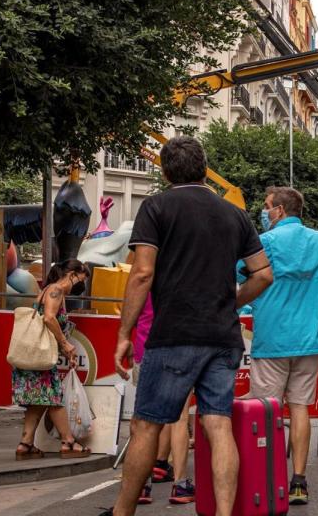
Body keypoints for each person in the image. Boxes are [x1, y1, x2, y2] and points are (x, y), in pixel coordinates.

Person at [105, 136, 272, 516]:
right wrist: (230, 301)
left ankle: (123, 512)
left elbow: (143, 272)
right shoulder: (234, 214)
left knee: (146, 426)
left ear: (164, 170)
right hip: (223, 336)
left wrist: (123, 334)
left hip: (174, 335)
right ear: (203, 167)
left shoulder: (156, 207)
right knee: (218, 425)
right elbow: (263, 274)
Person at [242, 186, 318, 505]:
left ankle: (268, 476)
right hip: (309, 339)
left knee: (268, 411)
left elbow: (240, 272)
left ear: (278, 210)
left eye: (266, 206)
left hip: (272, 339)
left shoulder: (265, 242)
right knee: (301, 408)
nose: (263, 212)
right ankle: (299, 480)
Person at [13, 259, 91, 461]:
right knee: (54, 397)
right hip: (41, 357)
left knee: (38, 400)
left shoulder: (52, 290)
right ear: (72, 274)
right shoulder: (55, 290)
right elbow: (49, 318)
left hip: (36, 354)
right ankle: (68, 442)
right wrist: (65, 344)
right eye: (80, 280)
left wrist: (64, 349)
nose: (79, 286)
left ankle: (25, 443)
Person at [130, 296, 194, 506]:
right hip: (181, 347)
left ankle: (142, 486)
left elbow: (131, 307)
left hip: (146, 346)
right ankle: (181, 484)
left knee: (143, 420)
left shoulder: (146, 269)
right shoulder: (188, 268)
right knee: (180, 419)